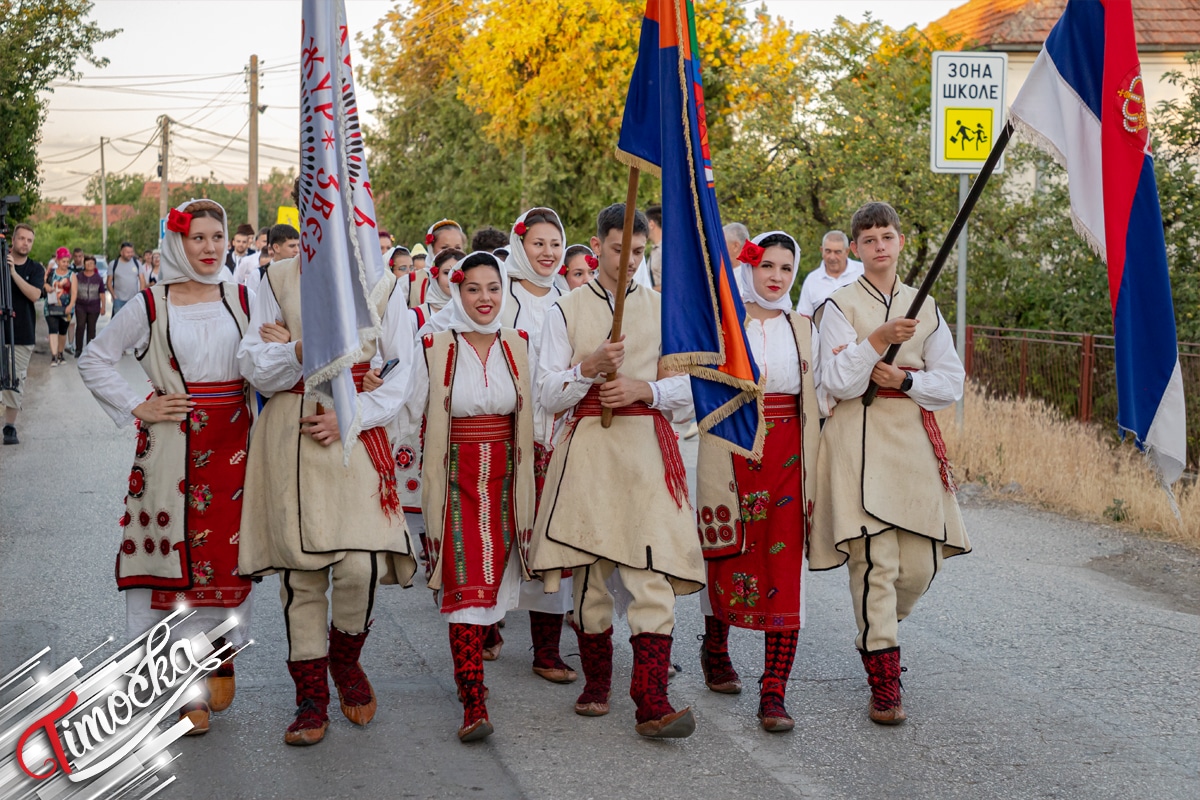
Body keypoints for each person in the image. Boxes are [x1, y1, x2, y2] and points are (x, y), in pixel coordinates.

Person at [78, 199, 256, 736]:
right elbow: (95, 358)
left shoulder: (246, 297)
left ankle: (218, 654)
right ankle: (185, 686)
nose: (209, 248)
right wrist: (139, 405)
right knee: (172, 562)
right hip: (170, 447)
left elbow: (271, 364)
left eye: (216, 237)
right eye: (197, 238)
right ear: (179, 244)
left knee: (227, 558)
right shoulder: (150, 304)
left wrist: (283, 350)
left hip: (236, 444)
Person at [528, 203, 702, 739]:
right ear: (597, 245)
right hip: (588, 449)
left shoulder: (667, 308)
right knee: (592, 574)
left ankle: (650, 698)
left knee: (652, 574)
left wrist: (644, 389)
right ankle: (597, 680)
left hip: (649, 449)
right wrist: (588, 369)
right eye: (618, 249)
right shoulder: (565, 309)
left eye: (640, 252)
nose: (629, 261)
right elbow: (545, 392)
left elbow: (696, 387)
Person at [236, 247, 418, 747]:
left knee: (359, 565)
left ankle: (344, 657)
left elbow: (402, 369)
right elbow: (253, 363)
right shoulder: (272, 278)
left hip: (355, 427)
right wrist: (296, 351)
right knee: (302, 573)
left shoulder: (382, 280)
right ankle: (310, 697)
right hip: (292, 431)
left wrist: (350, 412)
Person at [811, 201, 971, 725]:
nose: (879, 246)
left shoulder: (926, 307)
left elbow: (950, 381)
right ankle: (883, 676)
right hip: (857, 440)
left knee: (921, 565)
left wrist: (905, 380)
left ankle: (880, 632)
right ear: (855, 250)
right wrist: (876, 342)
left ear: (900, 241)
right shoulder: (837, 305)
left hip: (912, 442)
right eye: (869, 239)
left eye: (887, 236)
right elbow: (835, 382)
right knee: (876, 564)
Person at [403, 251, 536, 741]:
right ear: (457, 293)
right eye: (473, 288)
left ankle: (474, 678)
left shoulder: (519, 343)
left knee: (493, 588)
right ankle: (473, 700)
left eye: (493, 288)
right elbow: (409, 404)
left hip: (507, 479)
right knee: (464, 588)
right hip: (455, 476)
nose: (484, 298)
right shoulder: (435, 345)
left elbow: (536, 406)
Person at [694, 231, 821, 733]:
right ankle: (716, 646)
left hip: (790, 452)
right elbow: (697, 385)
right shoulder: (727, 324)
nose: (776, 276)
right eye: (767, 265)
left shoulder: (804, 328)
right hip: (732, 447)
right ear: (750, 268)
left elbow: (831, 383)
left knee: (785, 566)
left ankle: (774, 689)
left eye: (786, 269)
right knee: (726, 551)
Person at [3, 223, 44, 445]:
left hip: (22, 333)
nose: (25, 243)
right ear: (13, 241)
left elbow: (34, 295)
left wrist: (13, 273)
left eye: (29, 240)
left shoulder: (35, 269)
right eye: (21, 239)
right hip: (2, 330)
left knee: (15, 380)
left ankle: (9, 427)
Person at [795, 230, 863, 317]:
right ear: (821, 250)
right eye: (828, 251)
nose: (832, 257)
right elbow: (803, 318)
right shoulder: (812, 280)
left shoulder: (863, 272)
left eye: (837, 252)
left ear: (847, 252)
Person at [244, 224, 299, 297]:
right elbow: (251, 304)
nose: (297, 250)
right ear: (276, 247)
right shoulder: (259, 275)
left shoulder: (301, 273)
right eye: (292, 246)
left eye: (298, 245)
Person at [43, 248, 76, 365]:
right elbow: (43, 282)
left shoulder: (72, 275)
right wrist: (46, 286)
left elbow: (74, 292)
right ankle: (54, 356)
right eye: (63, 261)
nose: (66, 264)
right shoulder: (51, 272)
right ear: (57, 261)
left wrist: (71, 305)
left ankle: (60, 353)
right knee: (53, 330)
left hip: (66, 308)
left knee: (62, 331)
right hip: (50, 307)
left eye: (67, 261)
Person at [72, 255, 105, 355]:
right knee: (80, 326)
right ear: (84, 264)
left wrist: (103, 306)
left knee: (91, 328)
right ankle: (78, 349)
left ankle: (90, 350)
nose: (89, 265)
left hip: (94, 306)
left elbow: (102, 293)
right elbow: (74, 290)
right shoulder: (78, 276)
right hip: (80, 305)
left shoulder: (98, 278)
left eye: (92, 263)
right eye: (87, 263)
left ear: (95, 265)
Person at [108, 241, 145, 318]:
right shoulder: (114, 264)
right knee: (118, 322)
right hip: (118, 300)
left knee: (132, 322)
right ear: (121, 252)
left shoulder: (137, 263)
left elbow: (142, 279)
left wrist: (140, 294)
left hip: (133, 299)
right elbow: (109, 282)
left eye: (131, 252)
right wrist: (113, 295)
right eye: (128, 252)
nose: (130, 254)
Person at [724, 222, 750, 294]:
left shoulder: (749, 275)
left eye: (722, 244)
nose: (718, 249)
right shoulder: (723, 270)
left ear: (736, 246)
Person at [645, 203, 663, 290]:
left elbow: (673, 282)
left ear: (651, 224)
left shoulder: (665, 250)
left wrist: (648, 292)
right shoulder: (656, 249)